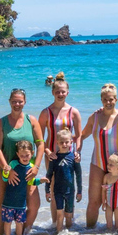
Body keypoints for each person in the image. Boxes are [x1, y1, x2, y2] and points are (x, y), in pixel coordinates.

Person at [0, 89, 45, 235]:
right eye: (14, 101)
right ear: (9, 102)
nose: (17, 104)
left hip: (27, 170)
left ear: (25, 102)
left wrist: (37, 168)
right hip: (2, 170)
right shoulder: (1, 123)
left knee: (34, 205)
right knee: (1, 205)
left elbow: (40, 144)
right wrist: (7, 170)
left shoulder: (31, 120)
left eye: (20, 101)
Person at [79, 83, 118, 228]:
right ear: (101, 100)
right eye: (105, 99)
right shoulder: (94, 117)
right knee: (94, 202)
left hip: (117, 166)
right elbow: (81, 136)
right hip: (98, 163)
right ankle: (88, 232)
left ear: (116, 99)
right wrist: (77, 152)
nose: (108, 102)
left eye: (111, 99)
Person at [38, 72, 82, 226]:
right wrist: (47, 151)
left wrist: (78, 152)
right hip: (52, 156)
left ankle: (68, 223)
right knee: (54, 188)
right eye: (57, 92)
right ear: (52, 92)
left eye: (63, 91)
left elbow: (79, 136)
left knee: (69, 186)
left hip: (70, 156)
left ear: (68, 92)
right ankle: (56, 224)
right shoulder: (45, 113)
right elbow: (39, 138)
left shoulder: (74, 112)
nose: (60, 94)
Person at [1, 140, 47, 235]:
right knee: (7, 222)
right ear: (17, 154)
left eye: (27, 155)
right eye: (22, 155)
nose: (25, 158)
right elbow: (5, 179)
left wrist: (41, 181)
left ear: (32, 153)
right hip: (9, 201)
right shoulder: (13, 164)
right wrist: (5, 172)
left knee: (19, 223)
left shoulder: (30, 167)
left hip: (21, 203)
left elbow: (31, 182)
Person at [44, 128, 82, 233]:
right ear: (57, 143)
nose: (64, 144)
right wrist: (47, 191)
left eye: (66, 142)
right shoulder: (54, 158)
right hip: (58, 191)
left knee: (69, 216)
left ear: (71, 142)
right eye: (61, 142)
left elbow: (78, 175)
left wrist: (79, 191)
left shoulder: (74, 158)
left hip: (70, 191)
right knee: (59, 215)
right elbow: (49, 175)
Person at [101, 154, 118, 231]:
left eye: (111, 165)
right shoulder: (106, 177)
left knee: (117, 225)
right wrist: (103, 202)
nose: (108, 166)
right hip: (108, 205)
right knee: (109, 225)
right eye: (108, 164)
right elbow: (103, 191)